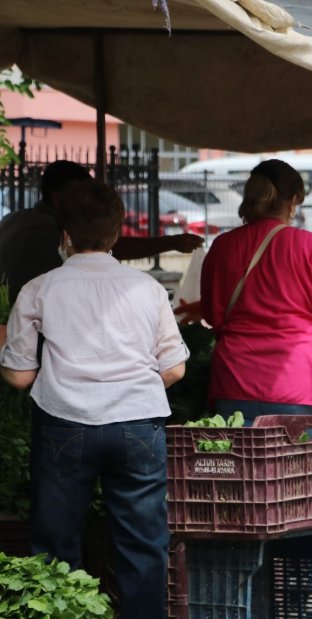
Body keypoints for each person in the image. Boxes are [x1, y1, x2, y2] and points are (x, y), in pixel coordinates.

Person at [0, 178, 189, 619]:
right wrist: (129, 390)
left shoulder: (40, 288)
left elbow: (19, 377)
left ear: (63, 235)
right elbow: (175, 368)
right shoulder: (145, 289)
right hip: (139, 425)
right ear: (118, 233)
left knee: (56, 543)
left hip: (64, 424)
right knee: (143, 542)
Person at [200, 159, 312, 425]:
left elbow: (213, 315)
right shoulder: (308, 245)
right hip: (300, 386)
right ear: (294, 199)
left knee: (244, 466)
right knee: (308, 467)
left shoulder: (221, 247)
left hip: (236, 381)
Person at [0, 160, 204, 306]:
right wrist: (171, 242)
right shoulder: (142, 291)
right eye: (81, 196)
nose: (86, 203)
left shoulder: (12, 220)